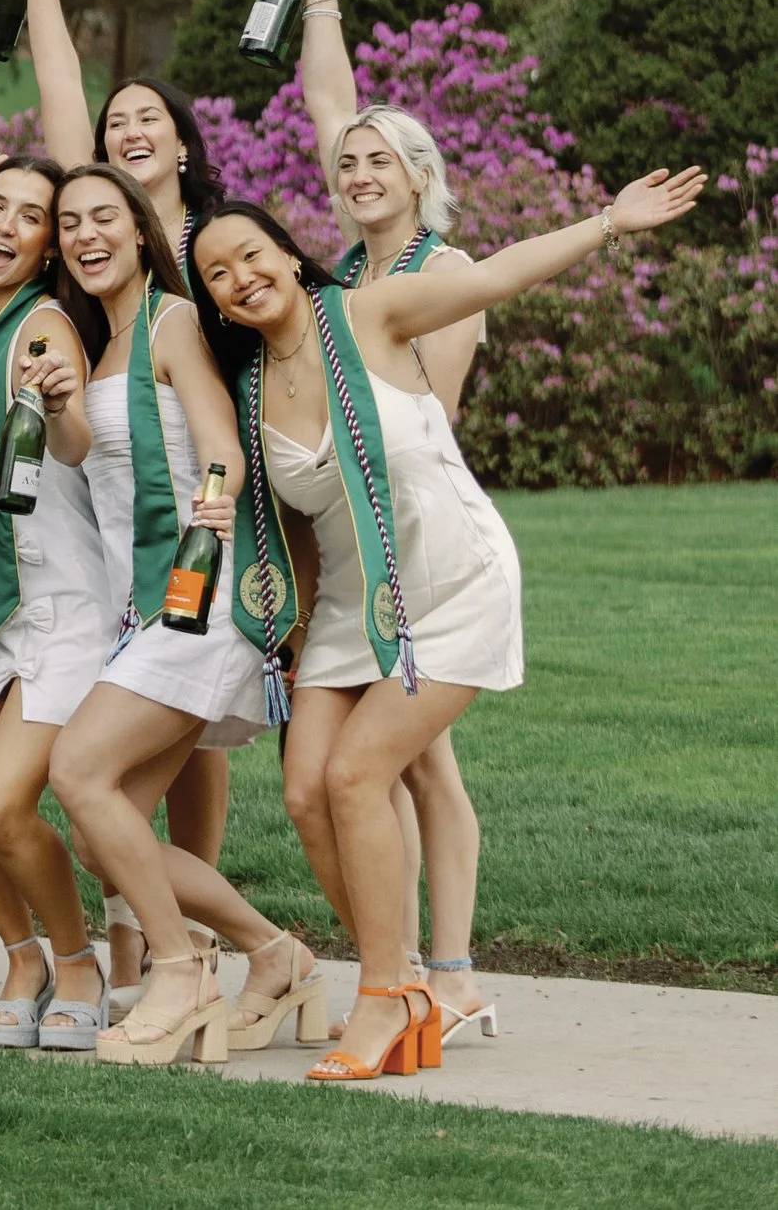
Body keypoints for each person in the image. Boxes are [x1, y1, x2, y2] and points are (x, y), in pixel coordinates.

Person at [192, 165, 703, 1083]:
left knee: (357, 775)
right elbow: (302, 526)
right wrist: (298, 627)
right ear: (216, 301)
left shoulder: (367, 313)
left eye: (251, 253)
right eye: (218, 273)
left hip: (455, 579)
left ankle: (385, 998)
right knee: (307, 793)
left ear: (285, 253)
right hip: (354, 604)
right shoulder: (251, 389)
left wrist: (608, 224)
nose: (240, 276)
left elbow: (496, 275)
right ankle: (410, 982)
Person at [40, 160, 315, 1070]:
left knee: (79, 769)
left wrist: (212, 499)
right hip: (141, 606)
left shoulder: (173, 318)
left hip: (198, 595)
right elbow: (83, 452)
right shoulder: (99, 339)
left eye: (102, 218)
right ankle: (277, 955)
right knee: (97, 830)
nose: (85, 235)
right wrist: (55, 410)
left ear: (139, 229)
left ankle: (178, 969)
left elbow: (222, 449)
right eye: (69, 223)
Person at [289, 0, 492, 1045]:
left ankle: (447, 970)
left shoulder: (441, 274)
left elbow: (432, 430)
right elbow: (333, 103)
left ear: (421, 179)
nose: (358, 171)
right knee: (403, 761)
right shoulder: (345, 275)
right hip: (352, 540)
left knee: (418, 760)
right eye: (347, 167)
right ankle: (414, 961)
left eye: (381, 162)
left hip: (410, 539)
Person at [18, 0, 231, 973]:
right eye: (114, 123)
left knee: (144, 762)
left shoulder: (214, 260)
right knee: (122, 782)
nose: (124, 130)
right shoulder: (96, 285)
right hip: (125, 549)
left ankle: (421, 960)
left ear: (184, 146)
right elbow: (64, 109)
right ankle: (172, 934)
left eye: (147, 118)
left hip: (209, 532)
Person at [0, 156, 115, 1050]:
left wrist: (63, 405)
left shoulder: (44, 329)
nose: (3, 225)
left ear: (50, 247)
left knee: (3, 800)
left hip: (63, 598)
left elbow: (74, 442)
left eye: (29, 217)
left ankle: (80, 961)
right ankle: (22, 956)